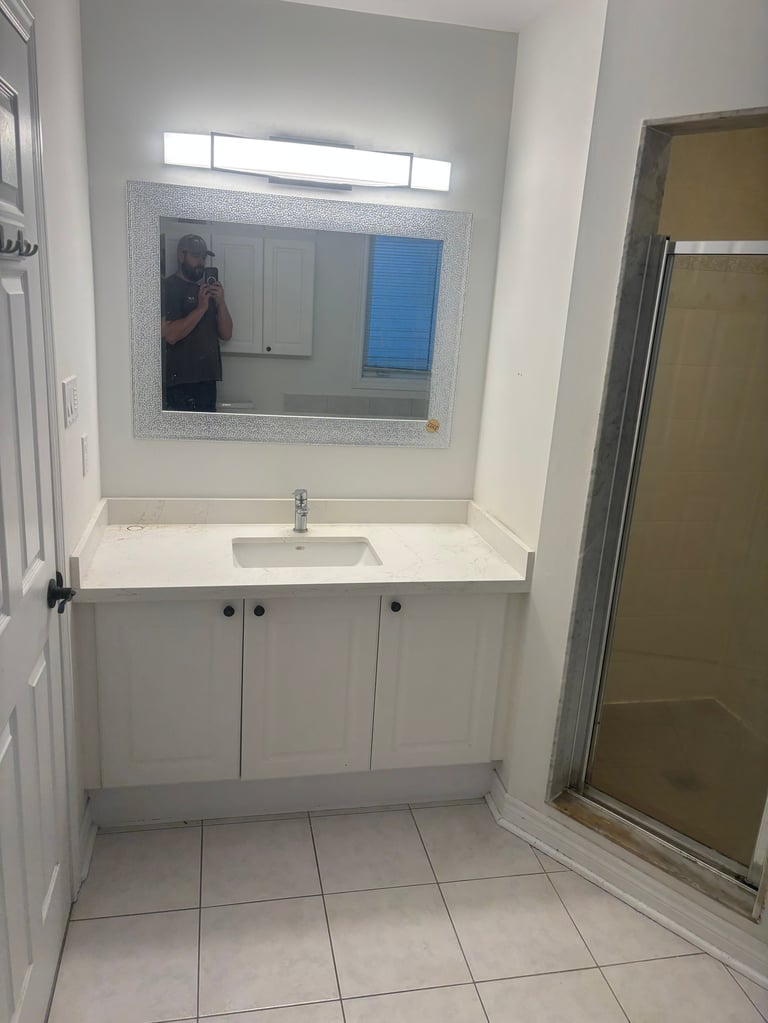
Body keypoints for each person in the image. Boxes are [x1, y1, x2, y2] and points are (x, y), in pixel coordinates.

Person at [161, 234, 233, 411]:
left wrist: (221, 302)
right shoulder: (167, 287)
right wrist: (201, 308)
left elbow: (226, 334)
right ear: (180, 256)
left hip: (207, 381)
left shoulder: (207, 290)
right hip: (179, 383)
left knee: (206, 438)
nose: (201, 262)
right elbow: (170, 335)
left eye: (203, 257)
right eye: (195, 256)